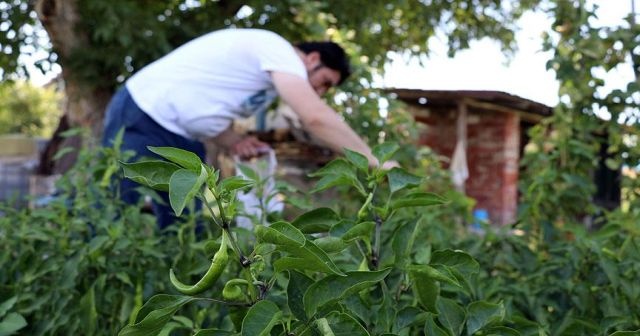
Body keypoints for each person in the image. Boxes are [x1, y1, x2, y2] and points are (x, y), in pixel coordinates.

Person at [102, 28, 391, 228]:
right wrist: (372, 160)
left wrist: (233, 141)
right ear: (312, 58)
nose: (322, 91)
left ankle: (183, 304)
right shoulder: (280, 51)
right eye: (325, 81)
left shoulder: (266, 79)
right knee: (115, 205)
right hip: (142, 112)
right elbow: (313, 117)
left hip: (181, 135)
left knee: (187, 224)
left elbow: (206, 108)